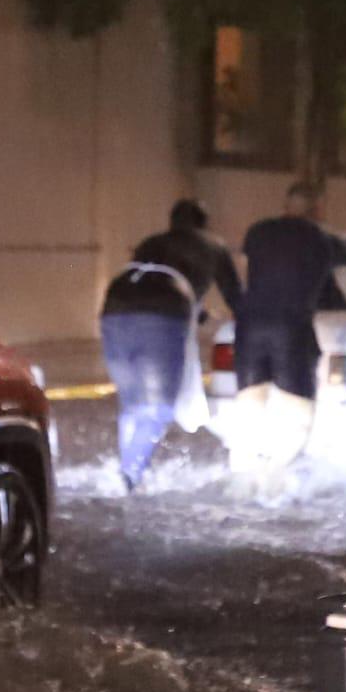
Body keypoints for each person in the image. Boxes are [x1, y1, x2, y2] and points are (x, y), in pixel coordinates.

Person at [232, 182, 346, 479]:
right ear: (319, 208)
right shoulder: (329, 239)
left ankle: (242, 481)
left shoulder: (257, 232)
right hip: (291, 327)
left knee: (249, 411)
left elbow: (249, 279)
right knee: (299, 418)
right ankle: (271, 478)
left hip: (249, 327)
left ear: (286, 205)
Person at [99, 199, 241, 491]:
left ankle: (127, 471)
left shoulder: (151, 242)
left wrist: (200, 315)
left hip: (114, 309)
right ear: (204, 222)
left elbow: (152, 280)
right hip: (162, 315)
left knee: (133, 404)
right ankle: (129, 478)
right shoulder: (213, 245)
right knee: (159, 409)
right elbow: (235, 297)